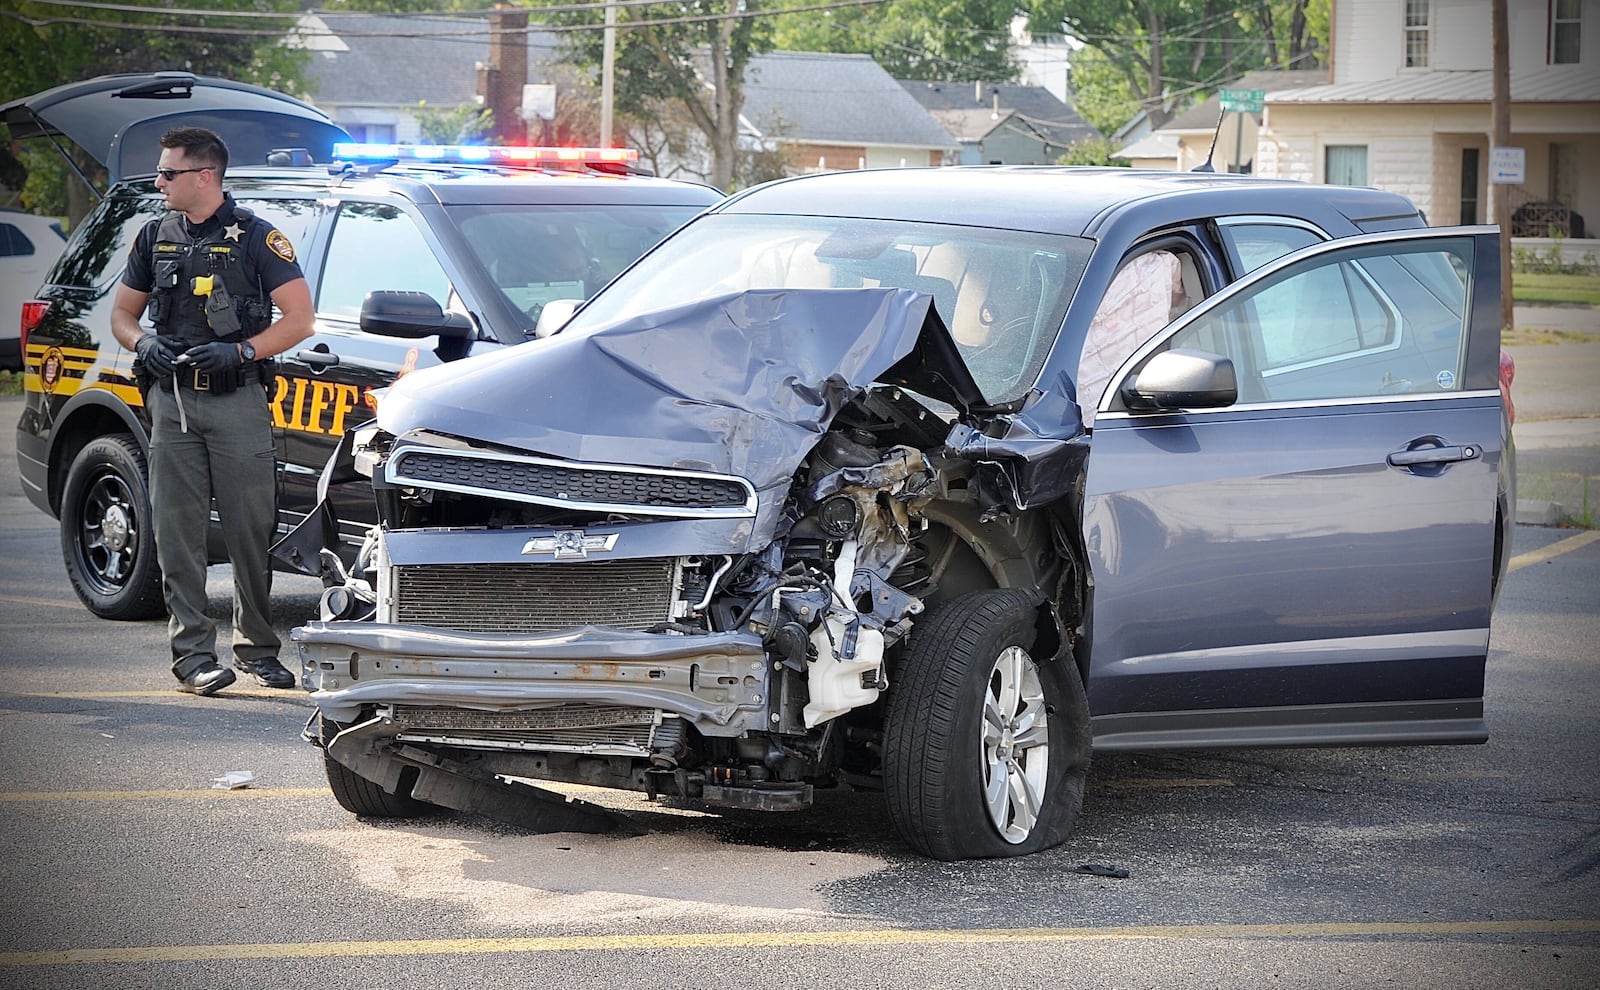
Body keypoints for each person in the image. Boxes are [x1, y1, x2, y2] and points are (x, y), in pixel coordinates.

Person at [110, 127, 314, 695]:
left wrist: (244, 349)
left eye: (168, 173)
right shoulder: (154, 235)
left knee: (251, 530)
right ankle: (192, 656)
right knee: (177, 532)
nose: (159, 182)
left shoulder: (256, 238)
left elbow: (300, 319)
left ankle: (256, 648)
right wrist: (140, 343)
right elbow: (123, 315)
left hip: (236, 399)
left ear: (205, 176)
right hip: (171, 404)